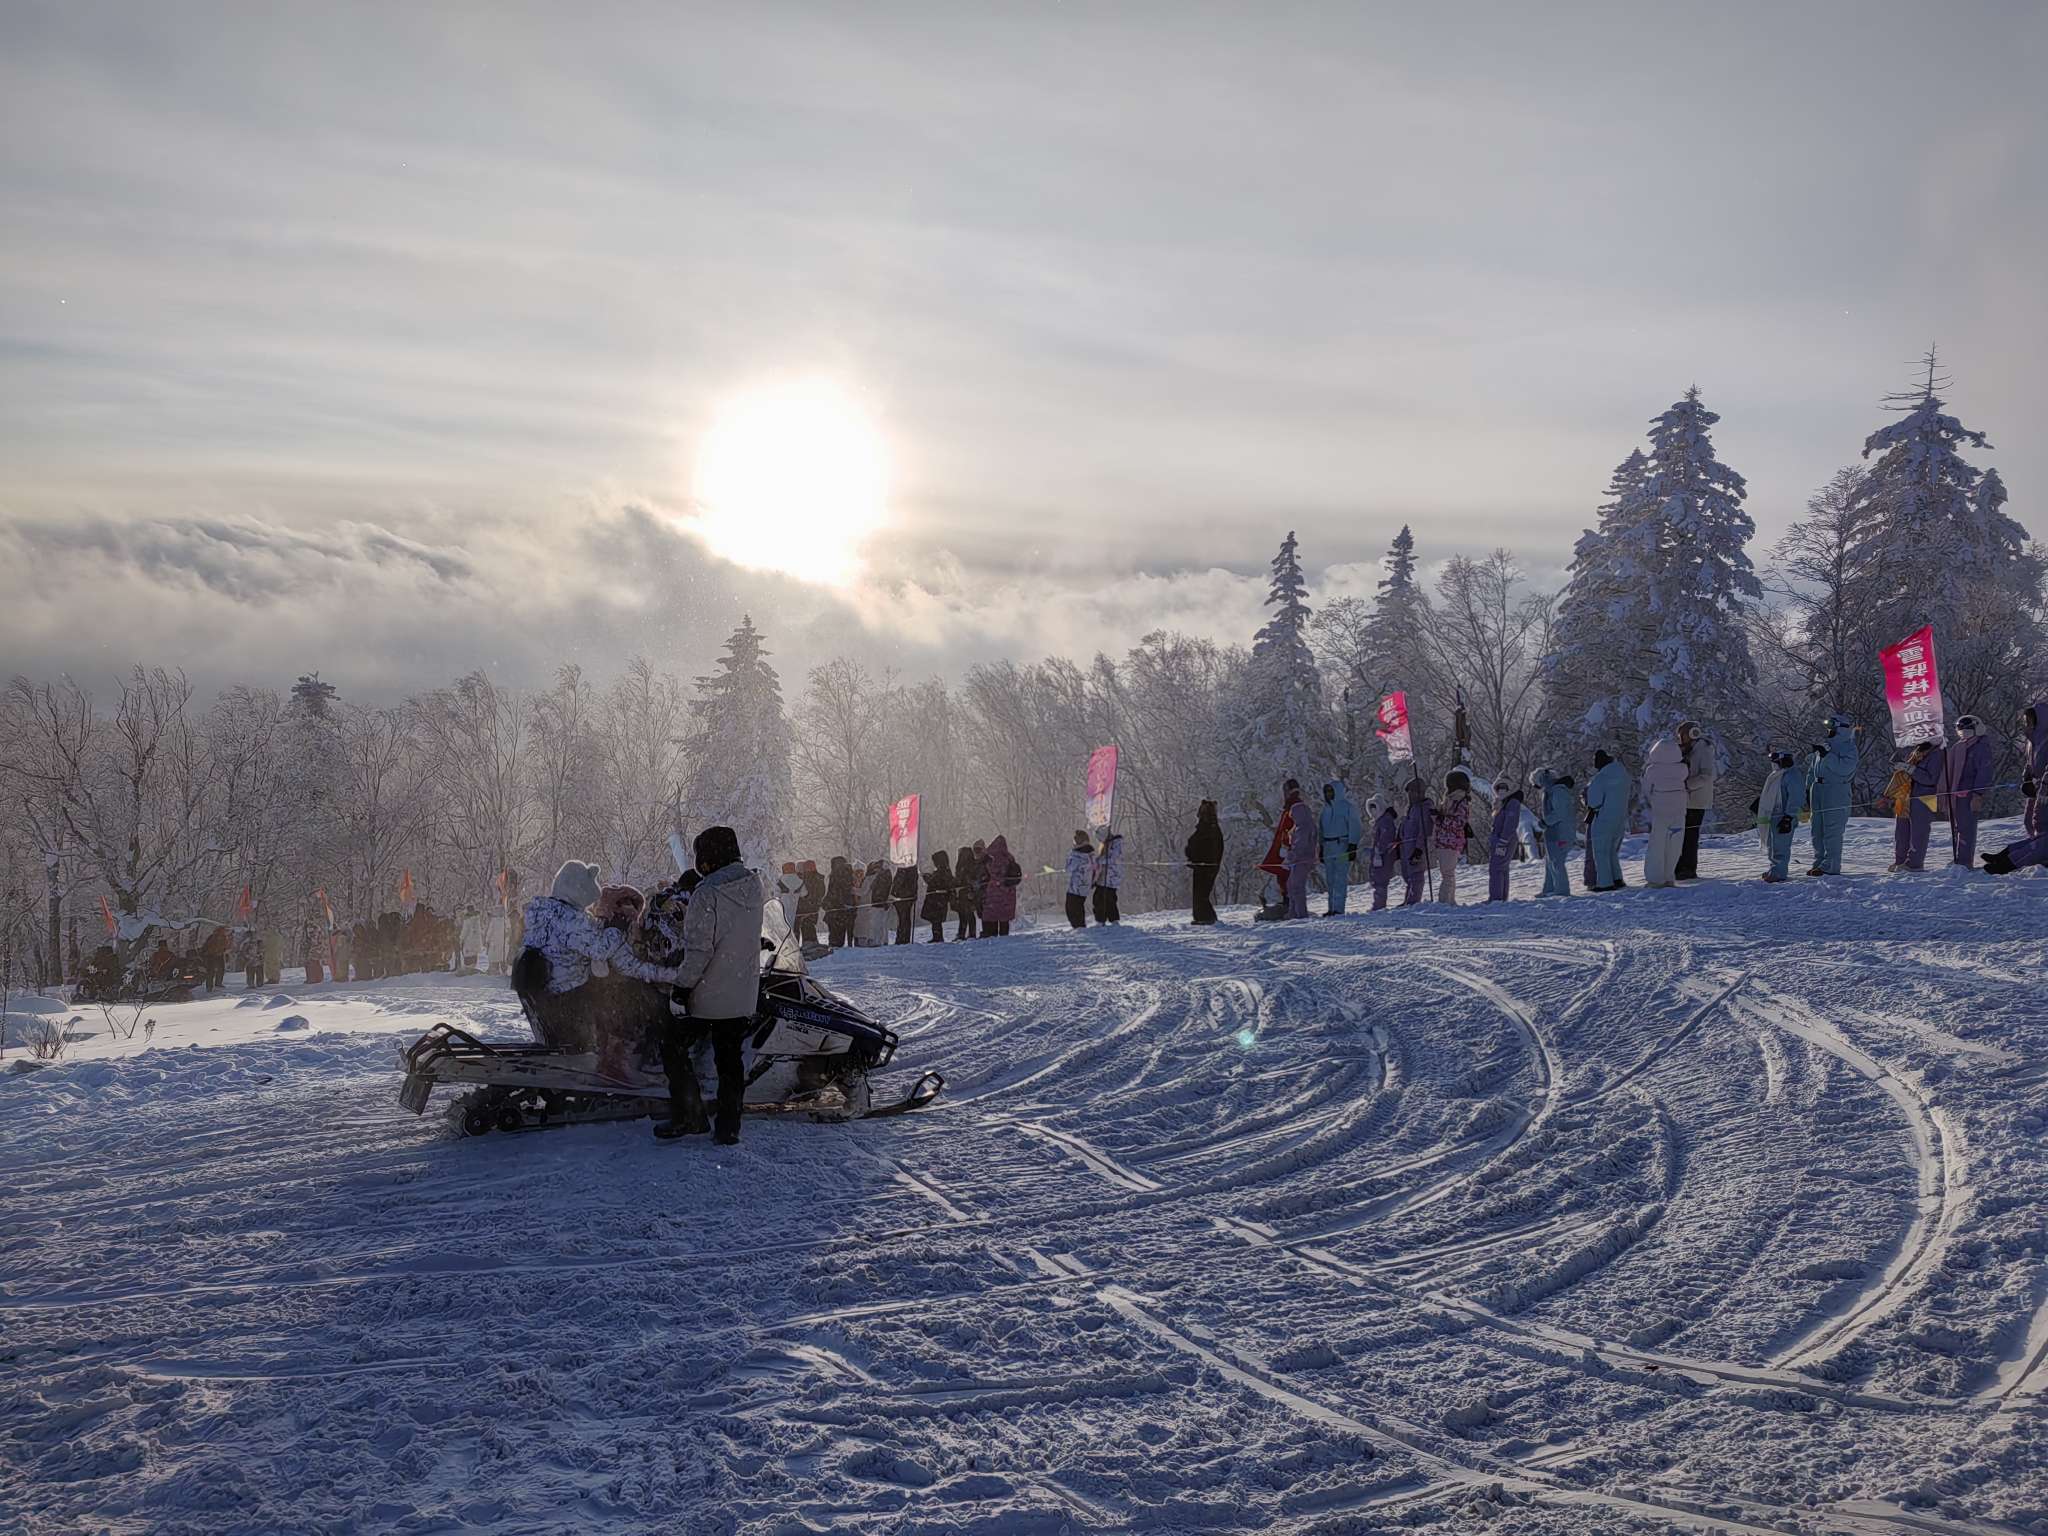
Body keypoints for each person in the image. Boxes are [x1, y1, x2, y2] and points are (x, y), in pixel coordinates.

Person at [656, 827, 761, 1145]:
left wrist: (681, 989)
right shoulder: (754, 884)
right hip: (742, 992)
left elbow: (699, 951)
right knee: (730, 1062)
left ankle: (689, 1115)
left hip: (709, 994)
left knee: (671, 1044)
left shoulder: (707, 893)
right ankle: (729, 1127)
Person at [517, 861, 680, 1058]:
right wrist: (616, 929)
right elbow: (601, 950)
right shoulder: (569, 918)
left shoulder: (544, 911)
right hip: (566, 991)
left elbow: (615, 956)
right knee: (622, 1003)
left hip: (543, 987)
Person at [1985, 700, 2048, 872]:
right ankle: (2007, 855)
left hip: (2044, 790)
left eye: (2030, 720)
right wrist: (2026, 778)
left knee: (2043, 832)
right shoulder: (2033, 741)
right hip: (2037, 789)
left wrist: (2044, 786)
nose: (2027, 724)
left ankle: (2011, 861)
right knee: (2034, 826)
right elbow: (2030, 763)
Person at [1807, 715, 1860, 877]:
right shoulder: (1825, 745)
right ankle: (1819, 862)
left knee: (1832, 829)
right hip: (1818, 789)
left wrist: (1827, 755)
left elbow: (1844, 769)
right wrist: (1807, 788)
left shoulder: (1849, 747)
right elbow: (1812, 769)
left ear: (1841, 728)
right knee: (1817, 829)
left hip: (1836, 790)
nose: (1829, 729)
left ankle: (1831, 865)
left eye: (1831, 726)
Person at [1640, 734, 1689, 889]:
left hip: (1660, 811)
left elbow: (1646, 790)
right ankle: (1669, 876)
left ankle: (1656, 879)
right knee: (1674, 844)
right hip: (1679, 810)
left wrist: (1653, 801)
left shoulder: (1652, 770)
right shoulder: (1683, 769)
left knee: (1657, 845)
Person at [1946, 716, 1992, 868]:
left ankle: (1965, 861)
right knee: (1958, 826)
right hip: (1957, 793)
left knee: (1967, 828)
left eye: (1967, 730)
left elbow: (1984, 771)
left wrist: (1978, 793)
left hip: (1970, 793)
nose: (1964, 734)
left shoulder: (1980, 747)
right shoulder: (1960, 747)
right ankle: (1960, 857)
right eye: (1961, 731)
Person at [1584, 749, 1630, 892]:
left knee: (1601, 852)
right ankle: (1617, 878)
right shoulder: (1623, 775)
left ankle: (1605, 883)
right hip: (1620, 818)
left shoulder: (1600, 778)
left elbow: (1594, 802)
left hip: (1603, 818)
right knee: (1611, 851)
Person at [1674, 721, 1714, 881]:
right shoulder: (1690, 749)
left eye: (1682, 735)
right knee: (1683, 835)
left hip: (1696, 800)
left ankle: (1688, 868)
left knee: (1690, 836)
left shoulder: (1703, 749)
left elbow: (1706, 775)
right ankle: (1680, 866)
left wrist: (1687, 784)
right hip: (1686, 799)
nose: (1680, 739)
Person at [1761, 749, 1808, 883]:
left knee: (1780, 846)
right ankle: (1774, 868)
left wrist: (1789, 816)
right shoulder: (1777, 775)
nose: (1773, 764)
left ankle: (1779, 872)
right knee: (1772, 845)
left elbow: (1796, 797)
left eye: (1775, 761)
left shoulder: (1792, 776)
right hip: (1773, 815)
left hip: (1784, 816)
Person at [1318, 781, 1362, 916]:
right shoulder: (1325, 809)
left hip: (1342, 846)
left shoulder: (1347, 807)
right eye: (1326, 791)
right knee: (1330, 878)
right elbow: (1321, 829)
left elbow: (1355, 825)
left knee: (1340, 878)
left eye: (1331, 791)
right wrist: (1321, 847)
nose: (1328, 794)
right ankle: (1331, 907)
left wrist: (1352, 845)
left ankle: (1338, 908)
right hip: (1328, 847)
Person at [1899, 738, 1943, 872]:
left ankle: (1915, 863)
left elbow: (1931, 779)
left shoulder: (1937, 753)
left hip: (1927, 796)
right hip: (1911, 795)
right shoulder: (1918, 751)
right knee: (1905, 830)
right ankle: (1904, 860)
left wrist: (1911, 769)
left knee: (1919, 831)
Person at [1434, 769, 1476, 905]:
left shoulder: (1460, 801)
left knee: (1447, 873)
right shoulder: (1450, 799)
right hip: (1444, 840)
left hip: (1451, 841)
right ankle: (1449, 901)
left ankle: (1444, 902)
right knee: (1447, 873)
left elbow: (1459, 822)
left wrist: (1441, 818)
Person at [1536, 768, 1576, 897]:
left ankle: (1562, 891)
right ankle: (1549, 889)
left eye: (1537, 784)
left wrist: (1545, 821)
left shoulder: (1558, 792)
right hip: (1553, 832)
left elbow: (1560, 813)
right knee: (1550, 861)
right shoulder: (1550, 792)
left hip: (1561, 833)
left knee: (1557, 861)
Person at [1185, 801, 1224, 924]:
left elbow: (1206, 848)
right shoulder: (1206, 828)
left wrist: (1197, 859)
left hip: (1205, 867)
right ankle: (1203, 917)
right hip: (1202, 866)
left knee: (1201, 894)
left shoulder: (1209, 829)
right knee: (1200, 894)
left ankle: (1206, 918)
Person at [1398, 778, 1435, 906]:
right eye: (1409, 792)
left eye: (1413, 791)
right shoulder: (1411, 808)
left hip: (1416, 847)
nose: (1411, 795)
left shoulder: (1424, 807)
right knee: (1408, 875)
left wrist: (1419, 849)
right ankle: (1408, 899)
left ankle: (1413, 901)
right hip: (1406, 846)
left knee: (1416, 874)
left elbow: (1425, 831)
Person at [1487, 778, 1524, 902]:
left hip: (1504, 840)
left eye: (1504, 787)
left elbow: (1510, 823)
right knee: (1501, 868)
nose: (1501, 790)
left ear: (1509, 788)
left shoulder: (1512, 802)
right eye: (1498, 788)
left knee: (1496, 868)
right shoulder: (1502, 802)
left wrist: (1503, 840)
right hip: (1499, 839)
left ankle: (1496, 898)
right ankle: (1500, 898)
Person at [980, 835, 1020, 936]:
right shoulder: (1009, 858)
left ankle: (992, 935)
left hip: (992, 893)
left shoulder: (989, 859)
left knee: (992, 916)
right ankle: (1004, 935)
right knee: (1004, 918)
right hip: (1007, 893)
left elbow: (985, 874)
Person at [1283, 796, 1316, 919]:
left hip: (1302, 861)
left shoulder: (1304, 828)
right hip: (1297, 861)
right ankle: (1293, 912)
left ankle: (1300, 913)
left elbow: (1300, 846)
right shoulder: (1300, 827)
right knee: (1291, 886)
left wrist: (1290, 856)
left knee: (1297, 887)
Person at [1367, 795, 1400, 910]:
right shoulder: (1379, 821)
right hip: (1379, 856)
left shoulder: (1385, 820)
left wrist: (1379, 849)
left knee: (1381, 880)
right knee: (1377, 879)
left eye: (1374, 807)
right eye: (1371, 808)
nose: (1373, 811)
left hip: (1384, 856)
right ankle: (1378, 903)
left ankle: (1379, 905)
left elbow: (1386, 838)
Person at [824, 856, 858, 948]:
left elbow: (834, 892)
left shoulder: (836, 875)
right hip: (847, 908)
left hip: (836, 909)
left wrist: (828, 903)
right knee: (844, 931)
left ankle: (835, 945)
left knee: (836, 935)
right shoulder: (849, 874)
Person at [1093, 830, 1126, 924]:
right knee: (1105, 899)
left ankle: (1104, 920)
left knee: (1104, 899)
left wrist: (1099, 861)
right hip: (1105, 878)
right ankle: (1108, 919)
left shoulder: (1116, 844)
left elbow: (1112, 859)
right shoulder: (1109, 845)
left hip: (1111, 878)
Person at [921, 851, 954, 943]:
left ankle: (937, 937)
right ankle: (937, 936)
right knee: (935, 920)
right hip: (937, 899)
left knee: (936, 920)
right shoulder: (944, 870)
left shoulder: (942, 871)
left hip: (938, 899)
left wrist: (927, 878)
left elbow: (935, 883)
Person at [1064, 830, 1093, 928]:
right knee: (1077, 907)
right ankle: (1080, 926)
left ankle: (1079, 927)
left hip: (1077, 886)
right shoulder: (1089, 853)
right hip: (1083, 885)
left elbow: (1069, 868)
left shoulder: (1078, 855)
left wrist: (1070, 856)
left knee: (1072, 908)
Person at [953, 844, 982, 940]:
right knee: (967, 913)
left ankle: (964, 933)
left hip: (965, 891)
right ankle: (968, 933)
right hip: (967, 891)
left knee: (965, 914)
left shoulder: (964, 866)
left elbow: (962, 878)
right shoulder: (972, 864)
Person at [890, 861, 920, 945]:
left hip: (901, 898)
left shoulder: (902, 871)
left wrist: (893, 893)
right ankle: (905, 937)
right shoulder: (913, 872)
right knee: (906, 918)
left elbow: (897, 883)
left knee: (902, 919)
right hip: (909, 898)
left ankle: (901, 938)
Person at [796, 861, 825, 947]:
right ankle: (811, 943)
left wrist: (808, 903)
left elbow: (805, 894)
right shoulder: (819, 878)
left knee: (806, 925)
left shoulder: (808, 879)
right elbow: (821, 893)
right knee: (809, 925)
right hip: (813, 907)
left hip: (807, 908)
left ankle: (809, 944)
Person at [864, 860, 892, 947]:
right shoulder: (887, 875)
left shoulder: (881, 877)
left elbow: (875, 888)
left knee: (876, 923)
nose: (876, 870)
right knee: (883, 924)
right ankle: (883, 940)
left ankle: (877, 941)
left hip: (878, 903)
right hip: (883, 903)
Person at [200, 923, 230, 992]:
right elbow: (207, 946)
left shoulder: (224, 937)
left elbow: (225, 946)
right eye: (223, 930)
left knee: (220, 970)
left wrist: (223, 951)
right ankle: (209, 986)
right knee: (211, 971)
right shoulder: (214, 937)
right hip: (211, 955)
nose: (225, 931)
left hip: (219, 955)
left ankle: (217, 984)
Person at [777, 862, 804, 932]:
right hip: (796, 907)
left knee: (785, 924)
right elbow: (804, 894)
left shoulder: (780, 881)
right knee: (794, 924)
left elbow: (776, 895)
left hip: (784, 907)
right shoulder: (800, 881)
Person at [457, 906, 483, 972]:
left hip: (468, 942)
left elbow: (464, 931)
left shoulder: (467, 920)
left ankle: (468, 970)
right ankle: (472, 968)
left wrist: (461, 939)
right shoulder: (477, 919)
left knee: (468, 956)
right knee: (474, 956)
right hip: (476, 942)